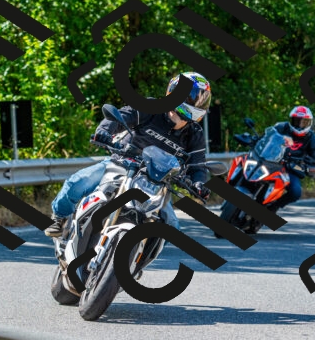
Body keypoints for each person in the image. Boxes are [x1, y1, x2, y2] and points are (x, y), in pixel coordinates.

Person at [44, 72, 213, 238]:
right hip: (123, 164)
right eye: (194, 97)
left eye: (203, 99)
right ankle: (60, 218)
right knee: (78, 182)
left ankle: (140, 255)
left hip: (156, 183)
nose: (198, 103)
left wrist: (199, 183)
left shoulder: (195, 134)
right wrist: (104, 131)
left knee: (172, 227)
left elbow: (197, 165)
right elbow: (121, 117)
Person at [266, 105, 315, 213]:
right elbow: (265, 138)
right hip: (270, 161)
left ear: (309, 123)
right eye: (297, 121)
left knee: (296, 192)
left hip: (291, 168)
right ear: (291, 120)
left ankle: (274, 207)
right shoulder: (280, 127)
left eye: (304, 122)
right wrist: (253, 139)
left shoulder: (312, 139)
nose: (300, 125)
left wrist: (303, 168)